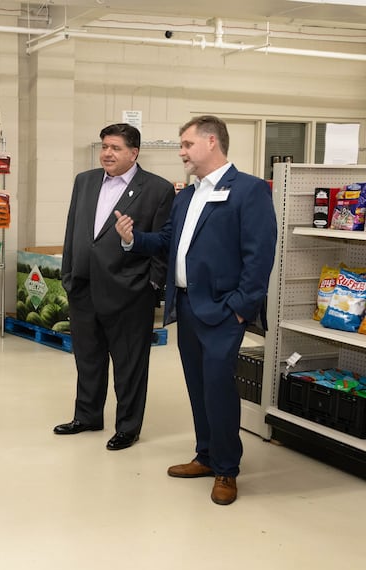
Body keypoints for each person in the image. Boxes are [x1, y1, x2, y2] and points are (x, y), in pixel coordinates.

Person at [114, 115, 277, 505]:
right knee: (198, 387)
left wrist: (240, 308)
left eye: (187, 144)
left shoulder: (249, 191)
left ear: (211, 142)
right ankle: (205, 455)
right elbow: (169, 241)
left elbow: (259, 258)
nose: (182, 152)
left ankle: (226, 469)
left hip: (223, 310)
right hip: (187, 306)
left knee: (219, 389)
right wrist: (133, 238)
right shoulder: (187, 195)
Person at [54, 123, 175, 451]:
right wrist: (68, 273)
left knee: (129, 364)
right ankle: (88, 415)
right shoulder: (85, 181)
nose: (107, 153)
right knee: (88, 358)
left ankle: (128, 427)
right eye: (104, 146)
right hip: (83, 287)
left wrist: (151, 284)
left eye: (115, 148)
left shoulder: (157, 189)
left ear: (133, 153)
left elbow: (164, 245)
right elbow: (72, 229)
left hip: (129, 291)